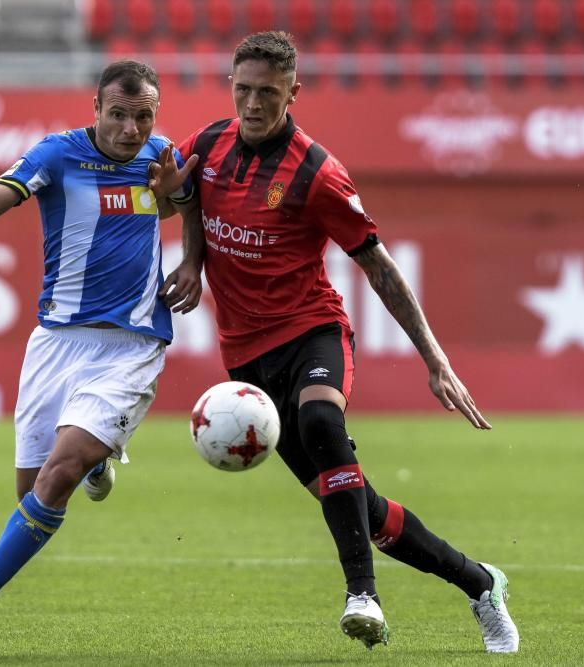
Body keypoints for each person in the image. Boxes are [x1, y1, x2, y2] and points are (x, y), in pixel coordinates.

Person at [165, 32, 520, 653]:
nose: (252, 105)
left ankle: (363, 596)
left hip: (311, 330)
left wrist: (436, 362)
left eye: (267, 94)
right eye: (243, 90)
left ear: (293, 93)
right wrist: (193, 259)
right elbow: (186, 193)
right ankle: (480, 581)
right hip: (245, 355)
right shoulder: (207, 144)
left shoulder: (317, 173)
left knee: (323, 422)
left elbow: (380, 268)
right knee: (365, 511)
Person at [0, 60, 201, 643]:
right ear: (96, 111)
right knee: (30, 495)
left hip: (132, 342)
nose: (131, 128)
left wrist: (190, 250)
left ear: (156, 114)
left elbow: (190, 203)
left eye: (143, 116)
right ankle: (98, 458)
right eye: (119, 115)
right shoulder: (57, 155)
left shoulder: (165, 157)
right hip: (56, 342)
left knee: (58, 475)